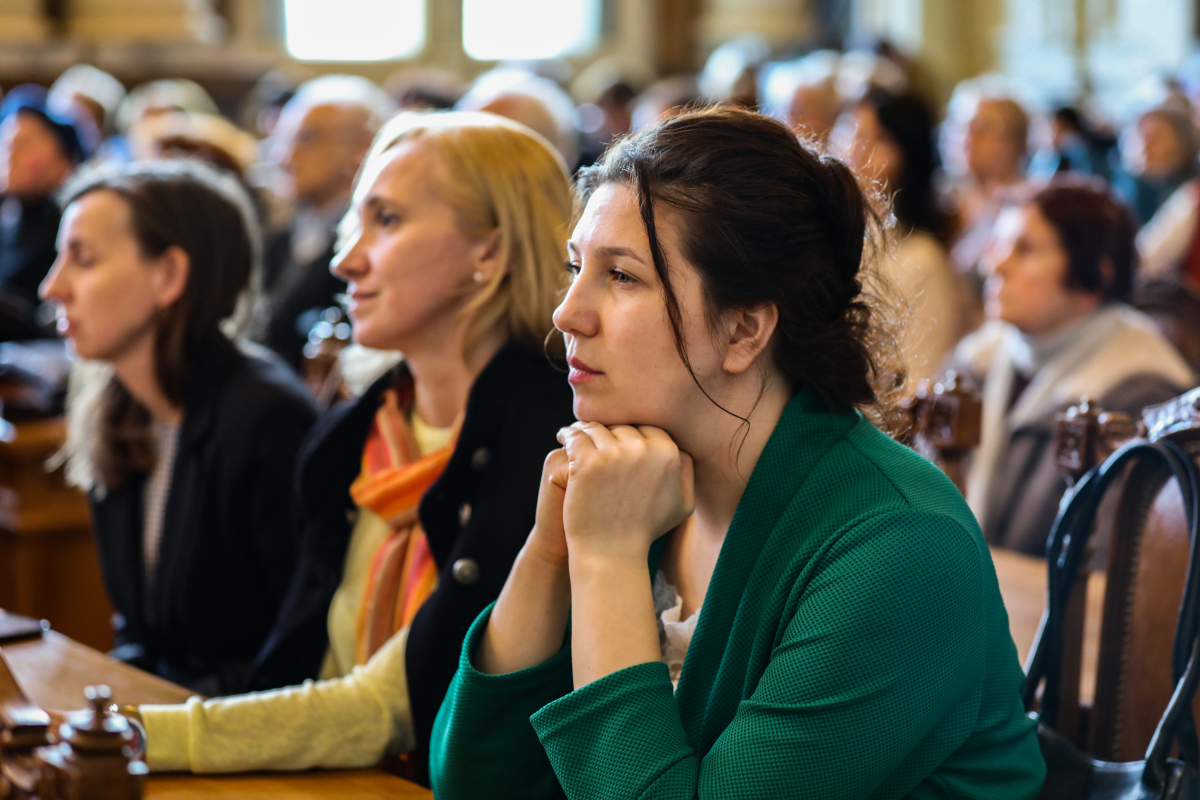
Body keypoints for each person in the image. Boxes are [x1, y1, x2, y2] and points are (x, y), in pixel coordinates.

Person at [430, 107, 1045, 799]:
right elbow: (474, 781)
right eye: (577, 267)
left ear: (745, 329)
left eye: (622, 277)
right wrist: (551, 550)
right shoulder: (640, 478)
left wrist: (603, 560)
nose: (567, 312)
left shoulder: (898, 545)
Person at [133, 112, 576, 785]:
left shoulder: (548, 445)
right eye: (356, 220)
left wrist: (129, 732)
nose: (345, 259)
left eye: (388, 220)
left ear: (489, 252)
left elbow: (385, 705)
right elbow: (300, 661)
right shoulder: (357, 427)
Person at [41, 159, 318, 695]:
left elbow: (294, 651)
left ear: (168, 276)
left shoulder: (266, 416)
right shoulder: (118, 408)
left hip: (241, 737)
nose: (54, 287)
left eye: (83, 259)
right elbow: (142, 631)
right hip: (168, 717)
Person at [953, 179, 1194, 556]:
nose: (995, 264)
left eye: (1025, 249)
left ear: (1094, 277)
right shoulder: (978, 360)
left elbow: (1109, 567)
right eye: (1000, 245)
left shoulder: (1140, 399)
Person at [259, 76, 396, 371]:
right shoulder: (276, 240)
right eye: (281, 140)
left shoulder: (377, 250)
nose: (285, 157)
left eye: (305, 139)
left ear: (361, 148)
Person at [836, 87, 962, 388]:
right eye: (851, 133)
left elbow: (920, 375)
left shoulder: (920, 257)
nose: (856, 150)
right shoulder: (832, 237)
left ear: (908, 155)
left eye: (876, 139)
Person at [0, 84, 98, 336]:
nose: (10, 153)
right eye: (7, 142)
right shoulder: (7, 218)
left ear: (64, 162)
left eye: (25, 143)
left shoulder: (74, 228)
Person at [1113, 104, 1200, 227]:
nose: (1144, 145)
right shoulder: (1121, 186)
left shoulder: (1191, 193)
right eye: (1139, 136)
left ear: (1182, 144)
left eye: (1156, 136)